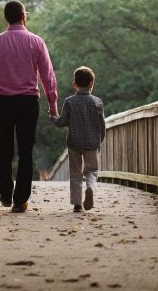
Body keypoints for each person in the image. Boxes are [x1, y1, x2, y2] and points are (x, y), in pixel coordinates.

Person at [0, 0, 58, 213]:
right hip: (28, 103)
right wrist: (53, 104)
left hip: (3, 102)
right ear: (24, 16)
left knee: (3, 150)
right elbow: (48, 76)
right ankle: (20, 199)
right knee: (25, 151)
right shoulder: (36, 42)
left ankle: (5, 193)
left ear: (6, 17)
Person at [52, 66, 106, 212]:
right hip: (92, 143)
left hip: (74, 142)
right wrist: (99, 141)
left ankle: (77, 204)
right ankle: (90, 187)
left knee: (75, 174)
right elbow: (102, 125)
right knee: (92, 170)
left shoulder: (69, 102)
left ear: (74, 84)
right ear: (91, 84)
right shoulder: (97, 102)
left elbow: (62, 122)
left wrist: (53, 117)